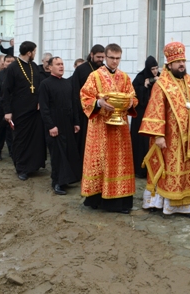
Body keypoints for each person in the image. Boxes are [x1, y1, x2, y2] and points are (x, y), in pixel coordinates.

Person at [139, 42, 190, 218]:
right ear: (169, 64)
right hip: (171, 138)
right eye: (178, 61)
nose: (182, 64)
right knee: (170, 171)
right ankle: (166, 205)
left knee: (188, 171)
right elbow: (155, 110)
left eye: (183, 61)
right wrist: (158, 136)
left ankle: (188, 207)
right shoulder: (162, 84)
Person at [80, 43, 137, 213]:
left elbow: (133, 97)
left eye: (118, 58)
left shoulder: (125, 77)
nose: (114, 61)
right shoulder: (94, 76)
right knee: (101, 161)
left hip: (120, 129)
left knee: (120, 163)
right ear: (105, 57)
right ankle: (96, 199)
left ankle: (120, 202)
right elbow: (84, 97)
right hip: (100, 128)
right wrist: (99, 103)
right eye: (111, 58)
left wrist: (129, 103)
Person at [2, 41, 46, 180]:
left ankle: (33, 166)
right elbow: (6, 91)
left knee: (35, 139)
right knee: (21, 139)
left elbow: (38, 86)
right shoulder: (13, 67)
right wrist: (7, 111)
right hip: (19, 110)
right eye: (34, 51)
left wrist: (40, 101)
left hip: (34, 109)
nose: (35, 54)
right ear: (29, 52)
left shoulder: (33, 66)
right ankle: (21, 168)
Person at [39, 57, 82, 195]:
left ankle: (68, 179)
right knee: (58, 154)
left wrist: (76, 122)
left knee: (69, 152)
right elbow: (44, 108)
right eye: (57, 64)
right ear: (50, 67)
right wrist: (51, 126)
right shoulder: (45, 84)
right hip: (54, 123)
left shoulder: (68, 83)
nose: (61, 66)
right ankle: (57, 182)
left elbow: (74, 103)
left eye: (62, 64)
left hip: (68, 123)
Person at [71, 44, 106, 176]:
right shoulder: (81, 70)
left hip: (101, 113)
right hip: (84, 113)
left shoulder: (104, 70)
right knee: (84, 143)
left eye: (102, 57)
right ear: (91, 55)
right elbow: (75, 92)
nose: (100, 60)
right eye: (98, 57)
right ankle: (83, 170)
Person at [130, 56, 160, 178]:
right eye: (152, 69)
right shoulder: (140, 77)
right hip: (141, 115)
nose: (154, 71)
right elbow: (134, 92)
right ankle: (140, 169)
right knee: (141, 142)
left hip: (154, 114)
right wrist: (145, 86)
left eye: (156, 68)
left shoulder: (160, 76)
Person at [0, 54, 15, 161]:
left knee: (12, 132)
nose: (10, 63)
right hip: (0, 109)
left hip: (14, 109)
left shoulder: (17, 76)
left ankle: (12, 151)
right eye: (8, 61)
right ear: (3, 63)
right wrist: (5, 107)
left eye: (12, 61)